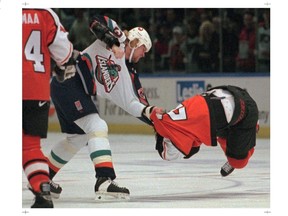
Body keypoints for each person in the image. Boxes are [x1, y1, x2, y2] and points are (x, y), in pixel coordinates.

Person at [46, 15, 153, 201]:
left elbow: (135, 105)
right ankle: (104, 180)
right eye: (144, 49)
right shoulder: (118, 39)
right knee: (97, 127)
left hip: (69, 87)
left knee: (76, 138)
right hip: (70, 79)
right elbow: (95, 21)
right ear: (135, 42)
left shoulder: (130, 75)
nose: (144, 55)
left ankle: (42, 178)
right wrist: (112, 43)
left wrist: (157, 120)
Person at [143, 85, 259, 177]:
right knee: (221, 133)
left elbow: (172, 154)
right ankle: (233, 153)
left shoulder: (178, 136)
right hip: (221, 94)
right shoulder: (173, 121)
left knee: (238, 163)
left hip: (245, 111)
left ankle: (252, 129)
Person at [22, 8, 76, 208]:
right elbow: (64, 54)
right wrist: (61, 67)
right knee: (30, 147)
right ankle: (42, 188)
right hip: (37, 88)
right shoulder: (44, 12)